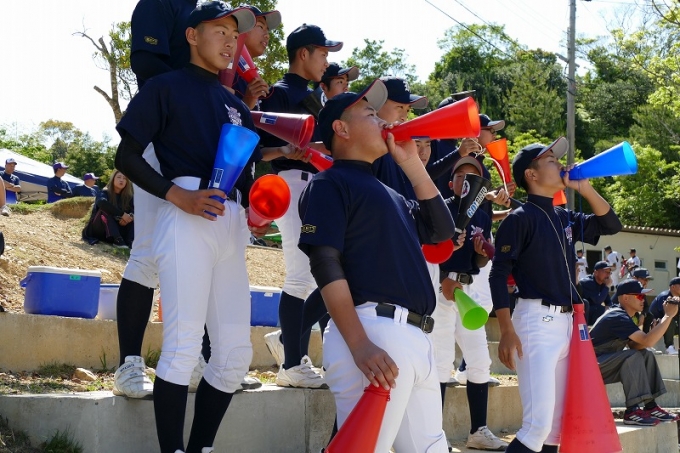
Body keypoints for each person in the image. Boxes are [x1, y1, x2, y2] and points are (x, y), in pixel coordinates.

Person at [114, 4, 258, 453]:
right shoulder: (165, 87)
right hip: (187, 215)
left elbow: (247, 175)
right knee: (182, 348)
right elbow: (127, 156)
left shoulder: (237, 105)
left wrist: (257, 207)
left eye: (234, 34)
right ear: (192, 36)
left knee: (234, 357)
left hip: (230, 224)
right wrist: (175, 194)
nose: (230, 41)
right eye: (219, 31)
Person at [298, 79, 454, 452]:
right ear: (341, 128)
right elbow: (325, 263)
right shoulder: (328, 183)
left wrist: (412, 164)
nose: (383, 121)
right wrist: (359, 343)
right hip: (372, 331)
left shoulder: (392, 193)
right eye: (370, 113)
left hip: (413, 337)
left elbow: (441, 230)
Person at [488, 136, 622, 453]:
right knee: (537, 427)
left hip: (564, 324)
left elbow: (610, 224)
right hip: (534, 321)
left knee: (553, 430)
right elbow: (497, 274)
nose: (560, 164)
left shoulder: (562, 215)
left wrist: (584, 188)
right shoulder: (518, 218)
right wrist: (506, 329)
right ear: (531, 174)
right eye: (551, 160)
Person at [259, 23, 342, 389]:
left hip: (318, 185)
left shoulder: (313, 97)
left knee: (326, 273)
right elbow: (258, 147)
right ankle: (291, 363)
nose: (326, 61)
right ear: (303, 53)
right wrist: (286, 149)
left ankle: (286, 342)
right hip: (291, 183)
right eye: (322, 53)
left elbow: (320, 146)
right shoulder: (277, 93)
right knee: (299, 275)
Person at [433, 155, 508, 451]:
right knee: (441, 362)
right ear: (450, 183)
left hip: (467, 291)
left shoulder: (483, 214)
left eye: (473, 177)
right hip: (440, 289)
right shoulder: (439, 208)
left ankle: (478, 431)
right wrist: (443, 278)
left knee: (479, 360)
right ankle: (433, 435)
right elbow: (427, 253)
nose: (467, 181)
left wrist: (480, 253)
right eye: (461, 176)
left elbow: (478, 263)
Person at [590, 279, 678, 425]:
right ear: (625, 298)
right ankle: (632, 411)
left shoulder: (626, 316)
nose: (643, 299)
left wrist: (652, 333)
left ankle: (650, 406)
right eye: (639, 296)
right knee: (633, 356)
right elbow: (646, 341)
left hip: (603, 363)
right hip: (590, 367)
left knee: (646, 354)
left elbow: (636, 346)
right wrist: (668, 316)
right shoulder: (617, 316)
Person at [231, 5, 281, 109]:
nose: (267, 35)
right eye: (260, 27)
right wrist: (246, 104)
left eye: (267, 30)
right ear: (242, 27)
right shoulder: (224, 70)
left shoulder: (250, 76)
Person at [82, 170, 134, 248]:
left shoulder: (129, 197)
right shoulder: (104, 192)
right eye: (119, 177)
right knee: (104, 210)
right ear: (113, 179)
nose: (121, 180)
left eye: (124, 178)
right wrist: (122, 214)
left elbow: (134, 210)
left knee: (135, 216)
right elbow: (101, 202)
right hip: (100, 230)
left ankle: (131, 241)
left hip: (119, 228)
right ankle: (117, 239)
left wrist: (129, 218)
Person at [649, 277, 680, 355]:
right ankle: (669, 347)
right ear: (673, 287)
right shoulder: (665, 296)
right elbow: (666, 313)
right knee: (669, 318)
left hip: (669, 325)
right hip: (655, 324)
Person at [578, 261, 613, 325]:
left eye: (609, 272)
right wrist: (607, 287)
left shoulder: (602, 283)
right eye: (606, 272)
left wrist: (612, 309)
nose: (608, 275)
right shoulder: (587, 282)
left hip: (593, 311)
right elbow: (598, 301)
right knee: (601, 309)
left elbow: (608, 302)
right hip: (581, 313)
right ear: (596, 273)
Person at [632, 267, 654, 332]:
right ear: (634, 278)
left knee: (649, 316)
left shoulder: (641, 290)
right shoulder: (626, 288)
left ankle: (645, 336)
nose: (645, 282)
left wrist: (643, 315)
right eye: (643, 279)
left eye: (647, 280)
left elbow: (646, 306)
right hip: (620, 316)